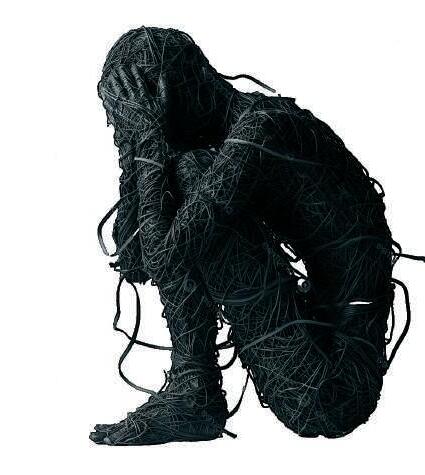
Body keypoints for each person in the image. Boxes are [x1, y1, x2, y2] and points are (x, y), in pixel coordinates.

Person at [90, 27, 395, 445]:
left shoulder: (262, 128)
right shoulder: (214, 141)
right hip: (309, 339)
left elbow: (163, 258)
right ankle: (193, 389)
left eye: (146, 106)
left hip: (332, 387)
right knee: (181, 178)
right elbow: (136, 262)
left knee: (189, 174)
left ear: (173, 94)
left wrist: (147, 141)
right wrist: (133, 151)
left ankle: (194, 392)